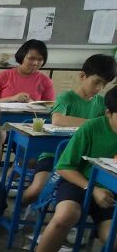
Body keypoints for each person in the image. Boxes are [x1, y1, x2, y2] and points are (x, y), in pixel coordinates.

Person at [5, 87, 117, 252]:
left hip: (111, 193)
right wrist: (92, 189)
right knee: (66, 214)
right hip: (78, 182)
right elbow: (64, 167)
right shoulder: (91, 128)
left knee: (112, 238)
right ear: (108, 113)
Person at [18, 54, 117, 207]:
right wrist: (92, 124)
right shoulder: (66, 98)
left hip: (81, 163)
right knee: (36, 189)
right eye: (96, 82)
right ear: (82, 76)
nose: (99, 88)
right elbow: (57, 120)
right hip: (54, 155)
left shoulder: (102, 103)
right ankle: (16, 211)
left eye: (104, 84)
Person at [0, 39, 55, 175]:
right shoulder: (4, 76)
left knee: (37, 143)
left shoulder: (45, 81)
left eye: (40, 59)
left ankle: (10, 177)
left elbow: (50, 108)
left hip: (29, 127)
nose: (35, 63)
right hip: (2, 126)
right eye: (31, 58)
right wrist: (12, 98)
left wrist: (34, 103)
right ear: (22, 56)